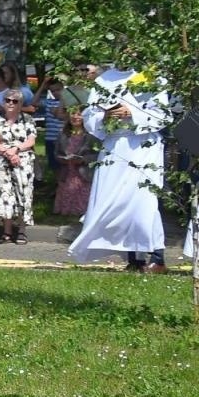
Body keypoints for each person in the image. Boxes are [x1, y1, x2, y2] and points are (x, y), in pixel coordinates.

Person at [69, 68, 170, 272]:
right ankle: (134, 259)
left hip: (143, 145)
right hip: (114, 146)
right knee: (117, 202)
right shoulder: (104, 80)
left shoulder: (151, 76)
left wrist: (132, 112)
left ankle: (157, 258)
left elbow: (163, 114)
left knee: (143, 201)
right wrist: (105, 116)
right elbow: (90, 115)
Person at [0, 89, 37, 244]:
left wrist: (16, 149)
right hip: (2, 161)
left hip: (23, 161)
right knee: (5, 195)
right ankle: (7, 231)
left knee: (23, 194)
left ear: (21, 104)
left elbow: (31, 141)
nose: (10, 103)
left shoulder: (27, 120)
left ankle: (22, 230)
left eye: (15, 101)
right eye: (8, 100)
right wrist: (8, 152)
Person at [53, 109, 95, 217]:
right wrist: (62, 158)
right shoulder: (63, 134)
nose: (75, 117)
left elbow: (97, 155)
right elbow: (56, 153)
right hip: (67, 171)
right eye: (73, 114)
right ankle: (65, 212)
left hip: (83, 172)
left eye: (79, 114)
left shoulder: (91, 135)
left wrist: (83, 159)